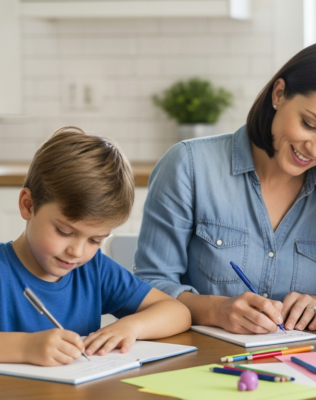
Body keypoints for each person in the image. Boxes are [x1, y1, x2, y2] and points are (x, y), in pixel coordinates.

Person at [134, 40, 316, 334]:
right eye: (309, 124)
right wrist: (215, 310)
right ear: (279, 94)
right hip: (202, 362)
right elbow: (149, 286)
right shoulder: (189, 166)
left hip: (303, 366)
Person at [0, 127, 191, 366]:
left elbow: (178, 312)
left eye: (95, 240)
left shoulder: (95, 269)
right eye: (64, 231)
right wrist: (25, 348)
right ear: (28, 205)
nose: (77, 252)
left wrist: (131, 326)